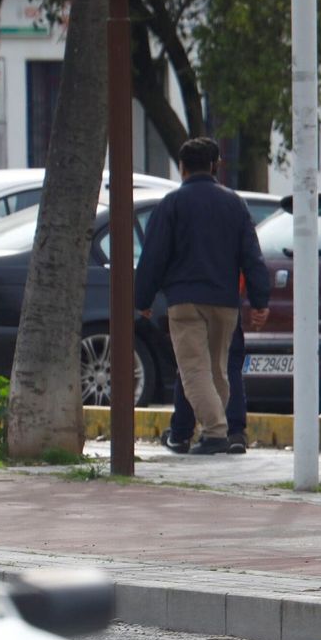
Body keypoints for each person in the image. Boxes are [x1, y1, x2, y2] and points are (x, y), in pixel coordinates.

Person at [135, 138, 270, 455]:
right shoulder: (234, 204)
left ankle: (214, 433)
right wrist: (260, 300)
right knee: (219, 370)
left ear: (181, 167)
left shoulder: (171, 204)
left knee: (194, 370)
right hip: (225, 302)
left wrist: (142, 299)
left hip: (185, 301)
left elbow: (154, 256)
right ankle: (219, 429)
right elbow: (252, 256)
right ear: (215, 166)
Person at [162, 323, 248, 454]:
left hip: (188, 305)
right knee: (228, 364)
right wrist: (258, 304)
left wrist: (144, 303)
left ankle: (182, 433)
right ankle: (234, 433)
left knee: (191, 365)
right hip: (227, 306)